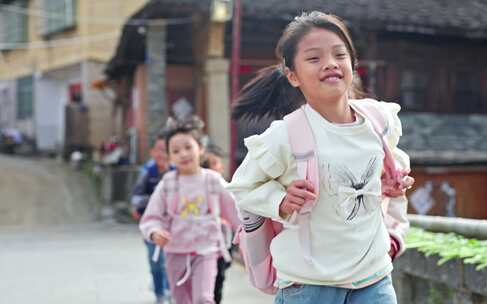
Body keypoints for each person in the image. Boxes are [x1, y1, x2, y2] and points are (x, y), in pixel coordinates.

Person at [227, 11, 413, 304]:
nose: (330, 63)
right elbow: (242, 186)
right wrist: (280, 200)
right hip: (309, 286)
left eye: (339, 54)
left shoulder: (379, 120)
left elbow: (394, 160)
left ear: (352, 64)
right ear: (293, 75)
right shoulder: (285, 135)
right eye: (314, 58)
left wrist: (393, 180)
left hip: (375, 279)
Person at [139, 117, 240, 304]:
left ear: (200, 148)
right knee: (181, 300)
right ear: (169, 157)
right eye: (175, 151)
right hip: (175, 252)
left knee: (204, 298)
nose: (183, 154)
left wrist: (249, 235)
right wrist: (154, 232)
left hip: (206, 250)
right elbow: (151, 217)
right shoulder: (168, 184)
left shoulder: (213, 180)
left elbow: (235, 212)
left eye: (188, 147)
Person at [131, 131, 171, 304]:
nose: (163, 155)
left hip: (174, 225)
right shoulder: (148, 171)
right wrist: (157, 197)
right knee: (156, 261)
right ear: (152, 152)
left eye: (166, 150)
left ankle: (170, 291)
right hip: (153, 224)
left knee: (170, 261)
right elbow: (136, 198)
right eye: (159, 150)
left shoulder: (178, 171)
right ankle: (160, 295)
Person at [201, 142, 230, 304]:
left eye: (216, 163)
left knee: (217, 284)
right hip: (200, 247)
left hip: (222, 246)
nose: (219, 168)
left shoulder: (226, 188)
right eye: (207, 164)